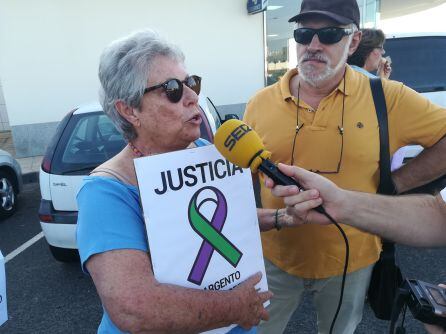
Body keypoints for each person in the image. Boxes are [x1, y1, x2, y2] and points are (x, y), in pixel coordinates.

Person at [242, 0, 446, 333]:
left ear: (353, 41)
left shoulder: (387, 97)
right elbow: (240, 180)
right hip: (275, 257)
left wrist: (396, 183)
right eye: (304, 33)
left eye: (330, 34)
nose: (313, 45)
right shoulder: (259, 103)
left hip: (351, 259)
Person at [76, 29, 272, 334]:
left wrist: (284, 217)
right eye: (172, 89)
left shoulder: (207, 151)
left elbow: (221, 223)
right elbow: (134, 307)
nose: (193, 96)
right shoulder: (106, 191)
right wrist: (235, 307)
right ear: (129, 110)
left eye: (191, 82)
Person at [264, 163, 446, 334]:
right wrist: (340, 203)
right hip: (276, 258)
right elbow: (438, 212)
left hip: (351, 264)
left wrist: (395, 182)